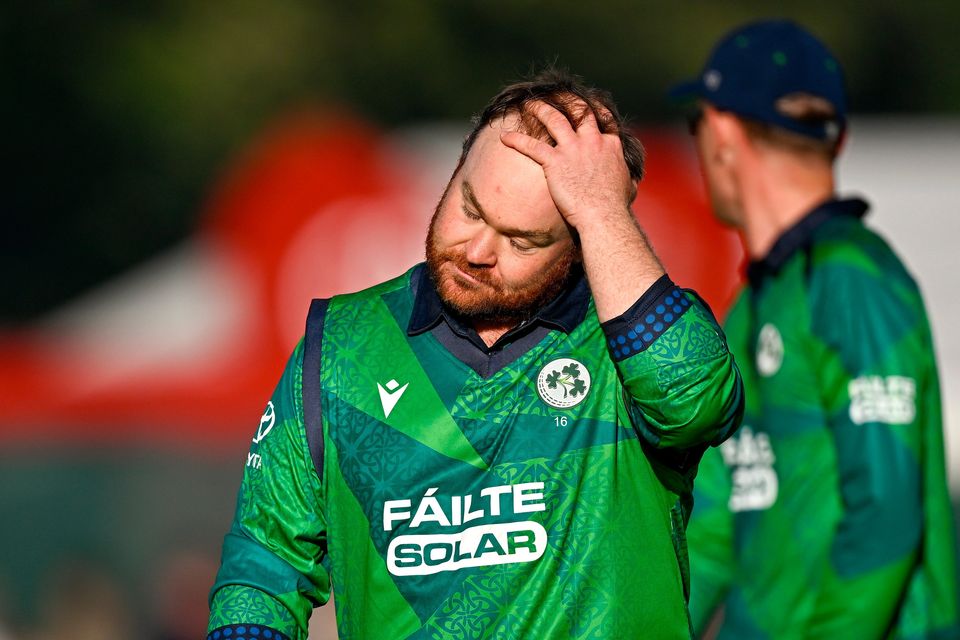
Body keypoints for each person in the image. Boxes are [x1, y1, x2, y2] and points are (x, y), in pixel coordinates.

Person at [206, 68, 744, 640]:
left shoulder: (629, 346)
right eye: (470, 207)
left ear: (579, 243)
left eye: (521, 240)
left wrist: (605, 213)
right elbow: (264, 566)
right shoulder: (340, 344)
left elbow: (697, 404)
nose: (478, 250)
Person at [671, 19, 960, 639]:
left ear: (721, 131)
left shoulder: (852, 278)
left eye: (696, 125)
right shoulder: (755, 303)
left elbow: (884, 515)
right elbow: (715, 528)